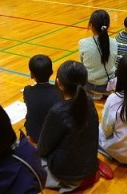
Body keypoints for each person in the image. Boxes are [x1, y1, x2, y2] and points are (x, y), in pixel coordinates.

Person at [37, 61, 100, 192]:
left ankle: (67, 183)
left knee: (29, 157)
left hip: (66, 172)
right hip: (89, 166)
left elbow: (42, 149)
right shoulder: (89, 101)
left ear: (59, 83)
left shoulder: (58, 111)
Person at [23, 55, 63, 143]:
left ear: (31, 75)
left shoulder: (27, 90)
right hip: (54, 136)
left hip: (34, 135)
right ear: (51, 72)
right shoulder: (59, 92)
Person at [79, 10, 118, 99]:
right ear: (107, 26)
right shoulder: (114, 42)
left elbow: (82, 64)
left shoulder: (83, 43)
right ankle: (105, 93)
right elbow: (114, 62)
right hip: (108, 85)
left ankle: (94, 94)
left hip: (89, 85)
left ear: (91, 25)